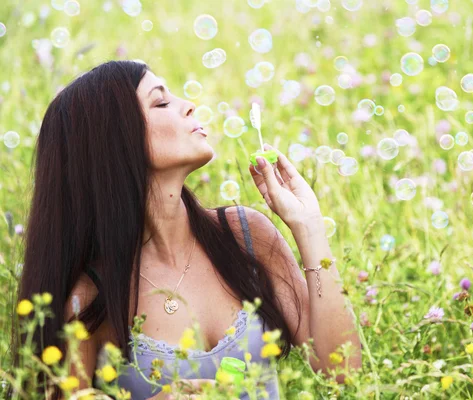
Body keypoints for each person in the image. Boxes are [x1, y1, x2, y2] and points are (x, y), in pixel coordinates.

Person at [9, 60, 362, 399]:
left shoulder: (244, 235)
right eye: (161, 101)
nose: (190, 105)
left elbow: (341, 369)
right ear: (116, 141)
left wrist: (309, 227)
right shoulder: (91, 298)